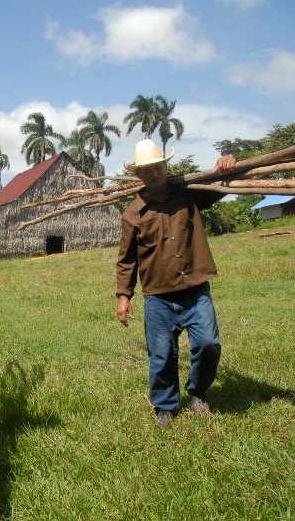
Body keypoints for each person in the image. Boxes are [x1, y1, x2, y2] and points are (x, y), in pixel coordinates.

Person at [115, 140, 236, 427]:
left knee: (208, 344)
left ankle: (198, 392)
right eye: (146, 170)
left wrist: (227, 165)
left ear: (165, 166)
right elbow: (126, 259)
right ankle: (165, 406)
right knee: (161, 354)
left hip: (195, 290)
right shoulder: (133, 213)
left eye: (157, 167)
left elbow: (223, 187)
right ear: (138, 175)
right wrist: (123, 295)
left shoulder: (189, 195)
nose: (153, 173)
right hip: (158, 296)